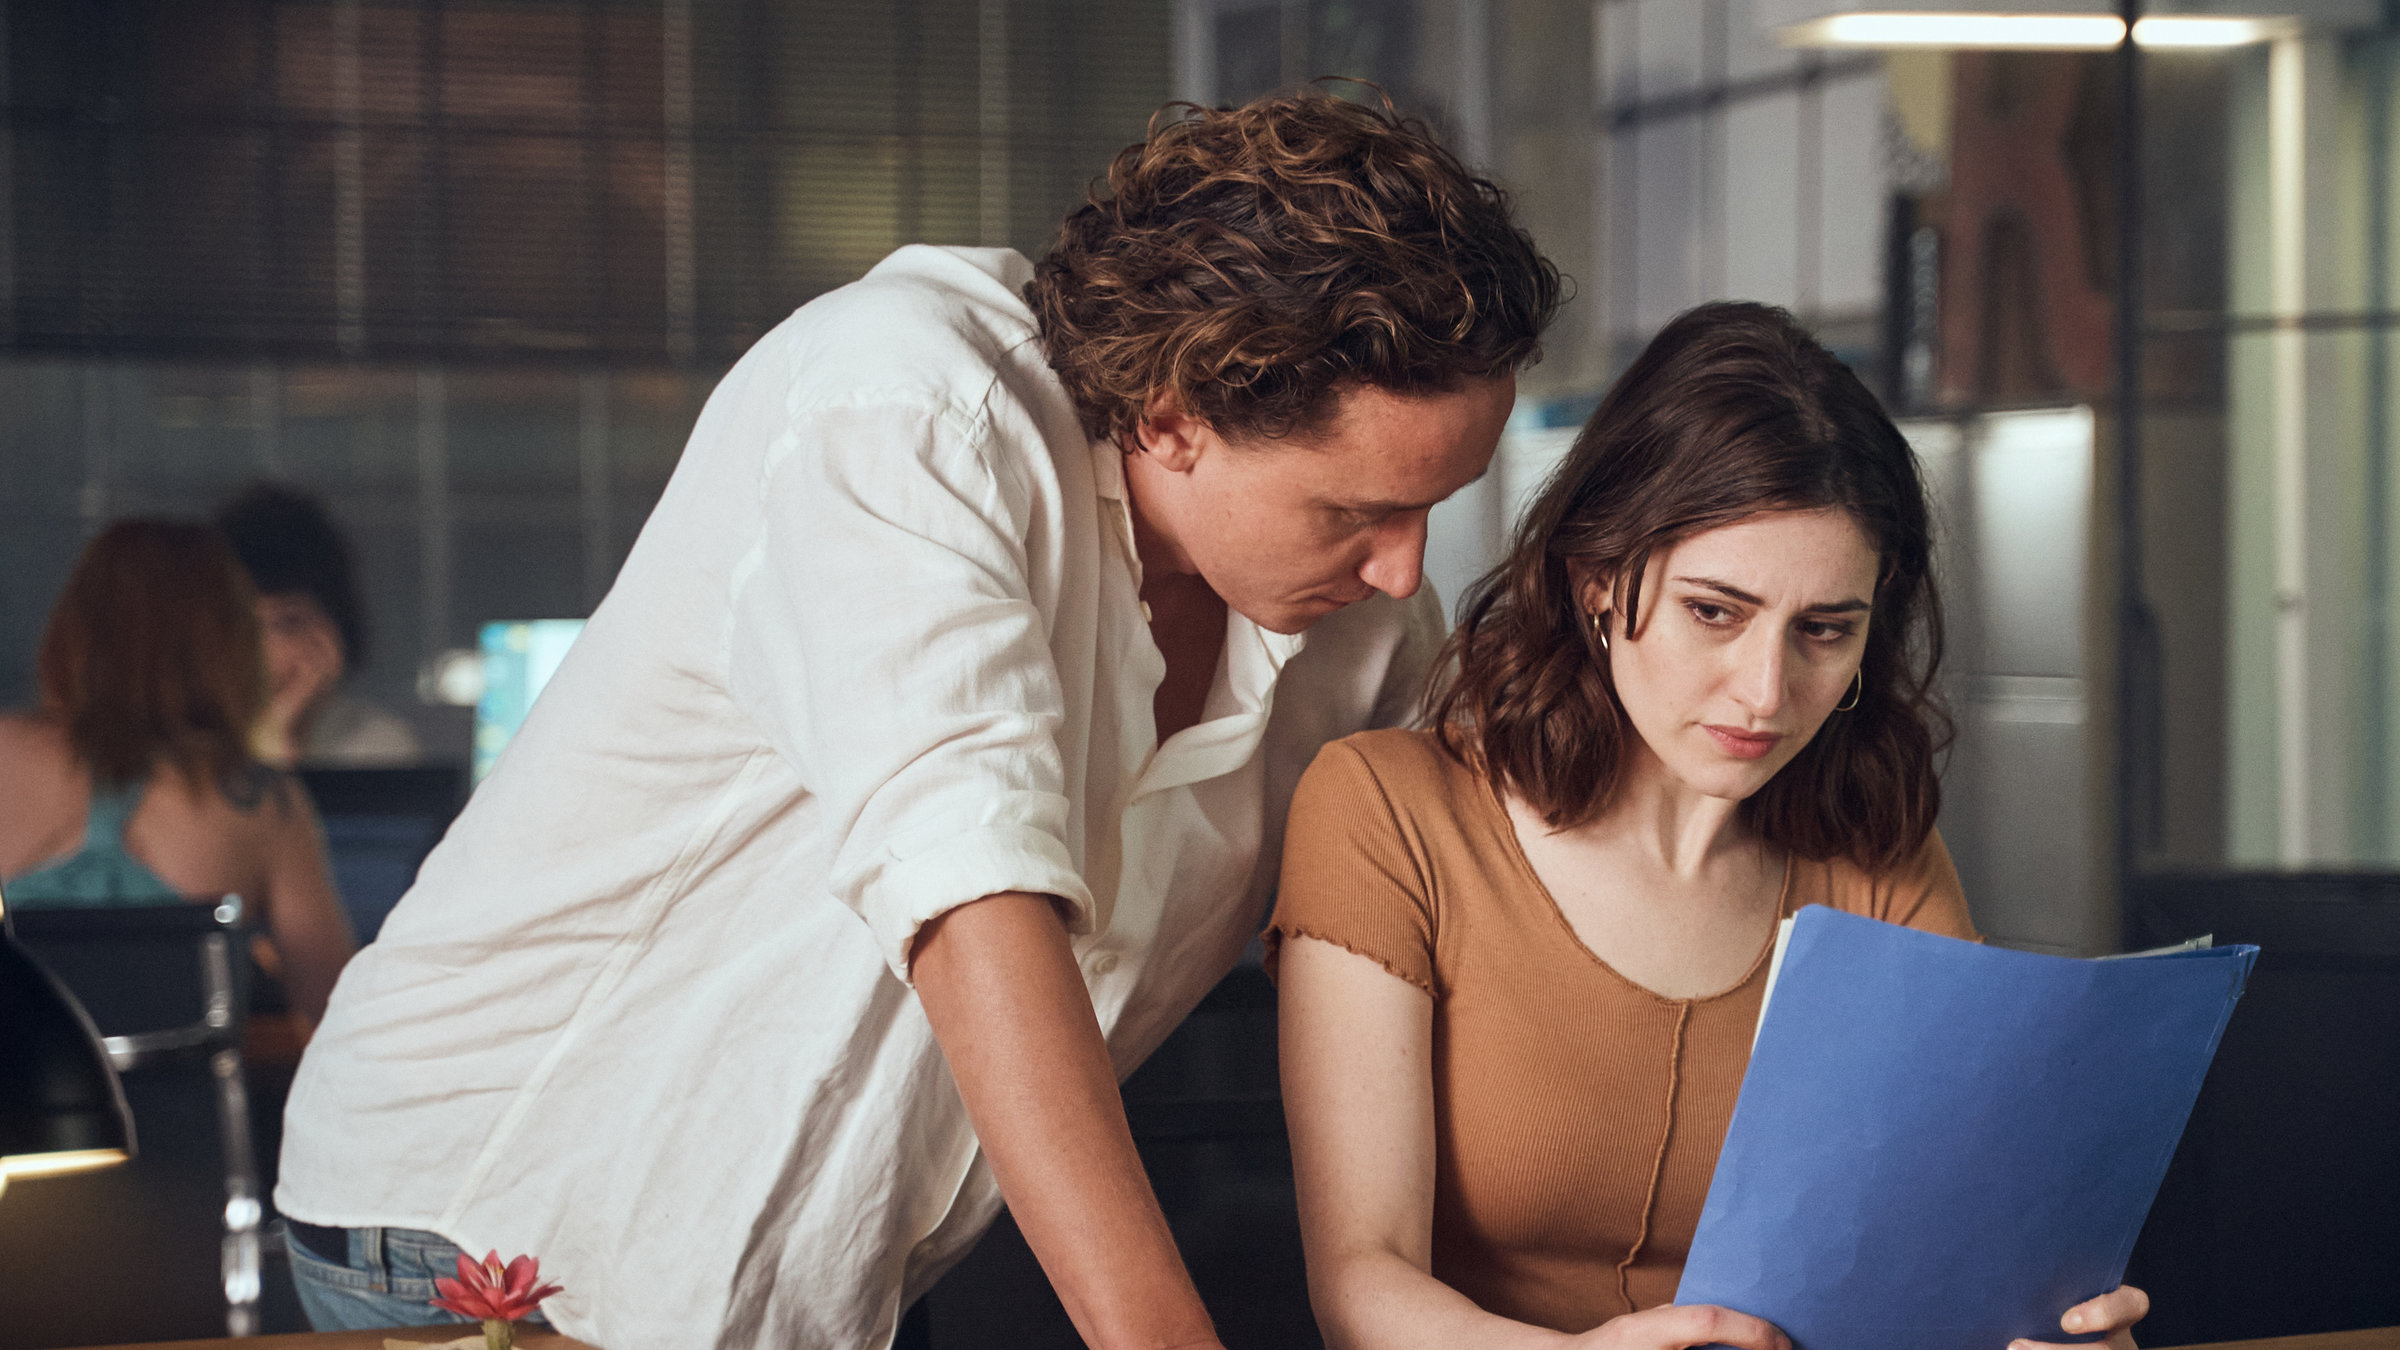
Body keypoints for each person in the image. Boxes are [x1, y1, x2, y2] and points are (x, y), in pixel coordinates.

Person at [274, 91, 1562, 1349]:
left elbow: (1476, 885)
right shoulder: (909, 410)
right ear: (1175, 417)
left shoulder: (1360, 630)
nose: (1404, 570)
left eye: (1430, 511)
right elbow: (970, 900)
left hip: (823, 1281)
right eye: (1353, 513)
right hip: (485, 1223)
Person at [1268, 303, 2150, 1350]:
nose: (1767, 691)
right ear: (1597, 579)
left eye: (1825, 630)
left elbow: (1959, 1248)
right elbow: (1360, 1284)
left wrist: (2053, 1324)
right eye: (1715, 613)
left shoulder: (1877, 860)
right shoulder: (1388, 812)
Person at [0, 519, 358, 1026]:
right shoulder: (262, 806)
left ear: (73, 628)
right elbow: (343, 1017)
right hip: (174, 1106)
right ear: (228, 643)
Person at [216, 481, 422, 768]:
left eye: (285, 624)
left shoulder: (377, 745)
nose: (262, 647)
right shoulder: (181, 749)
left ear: (331, 631)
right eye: (241, 623)